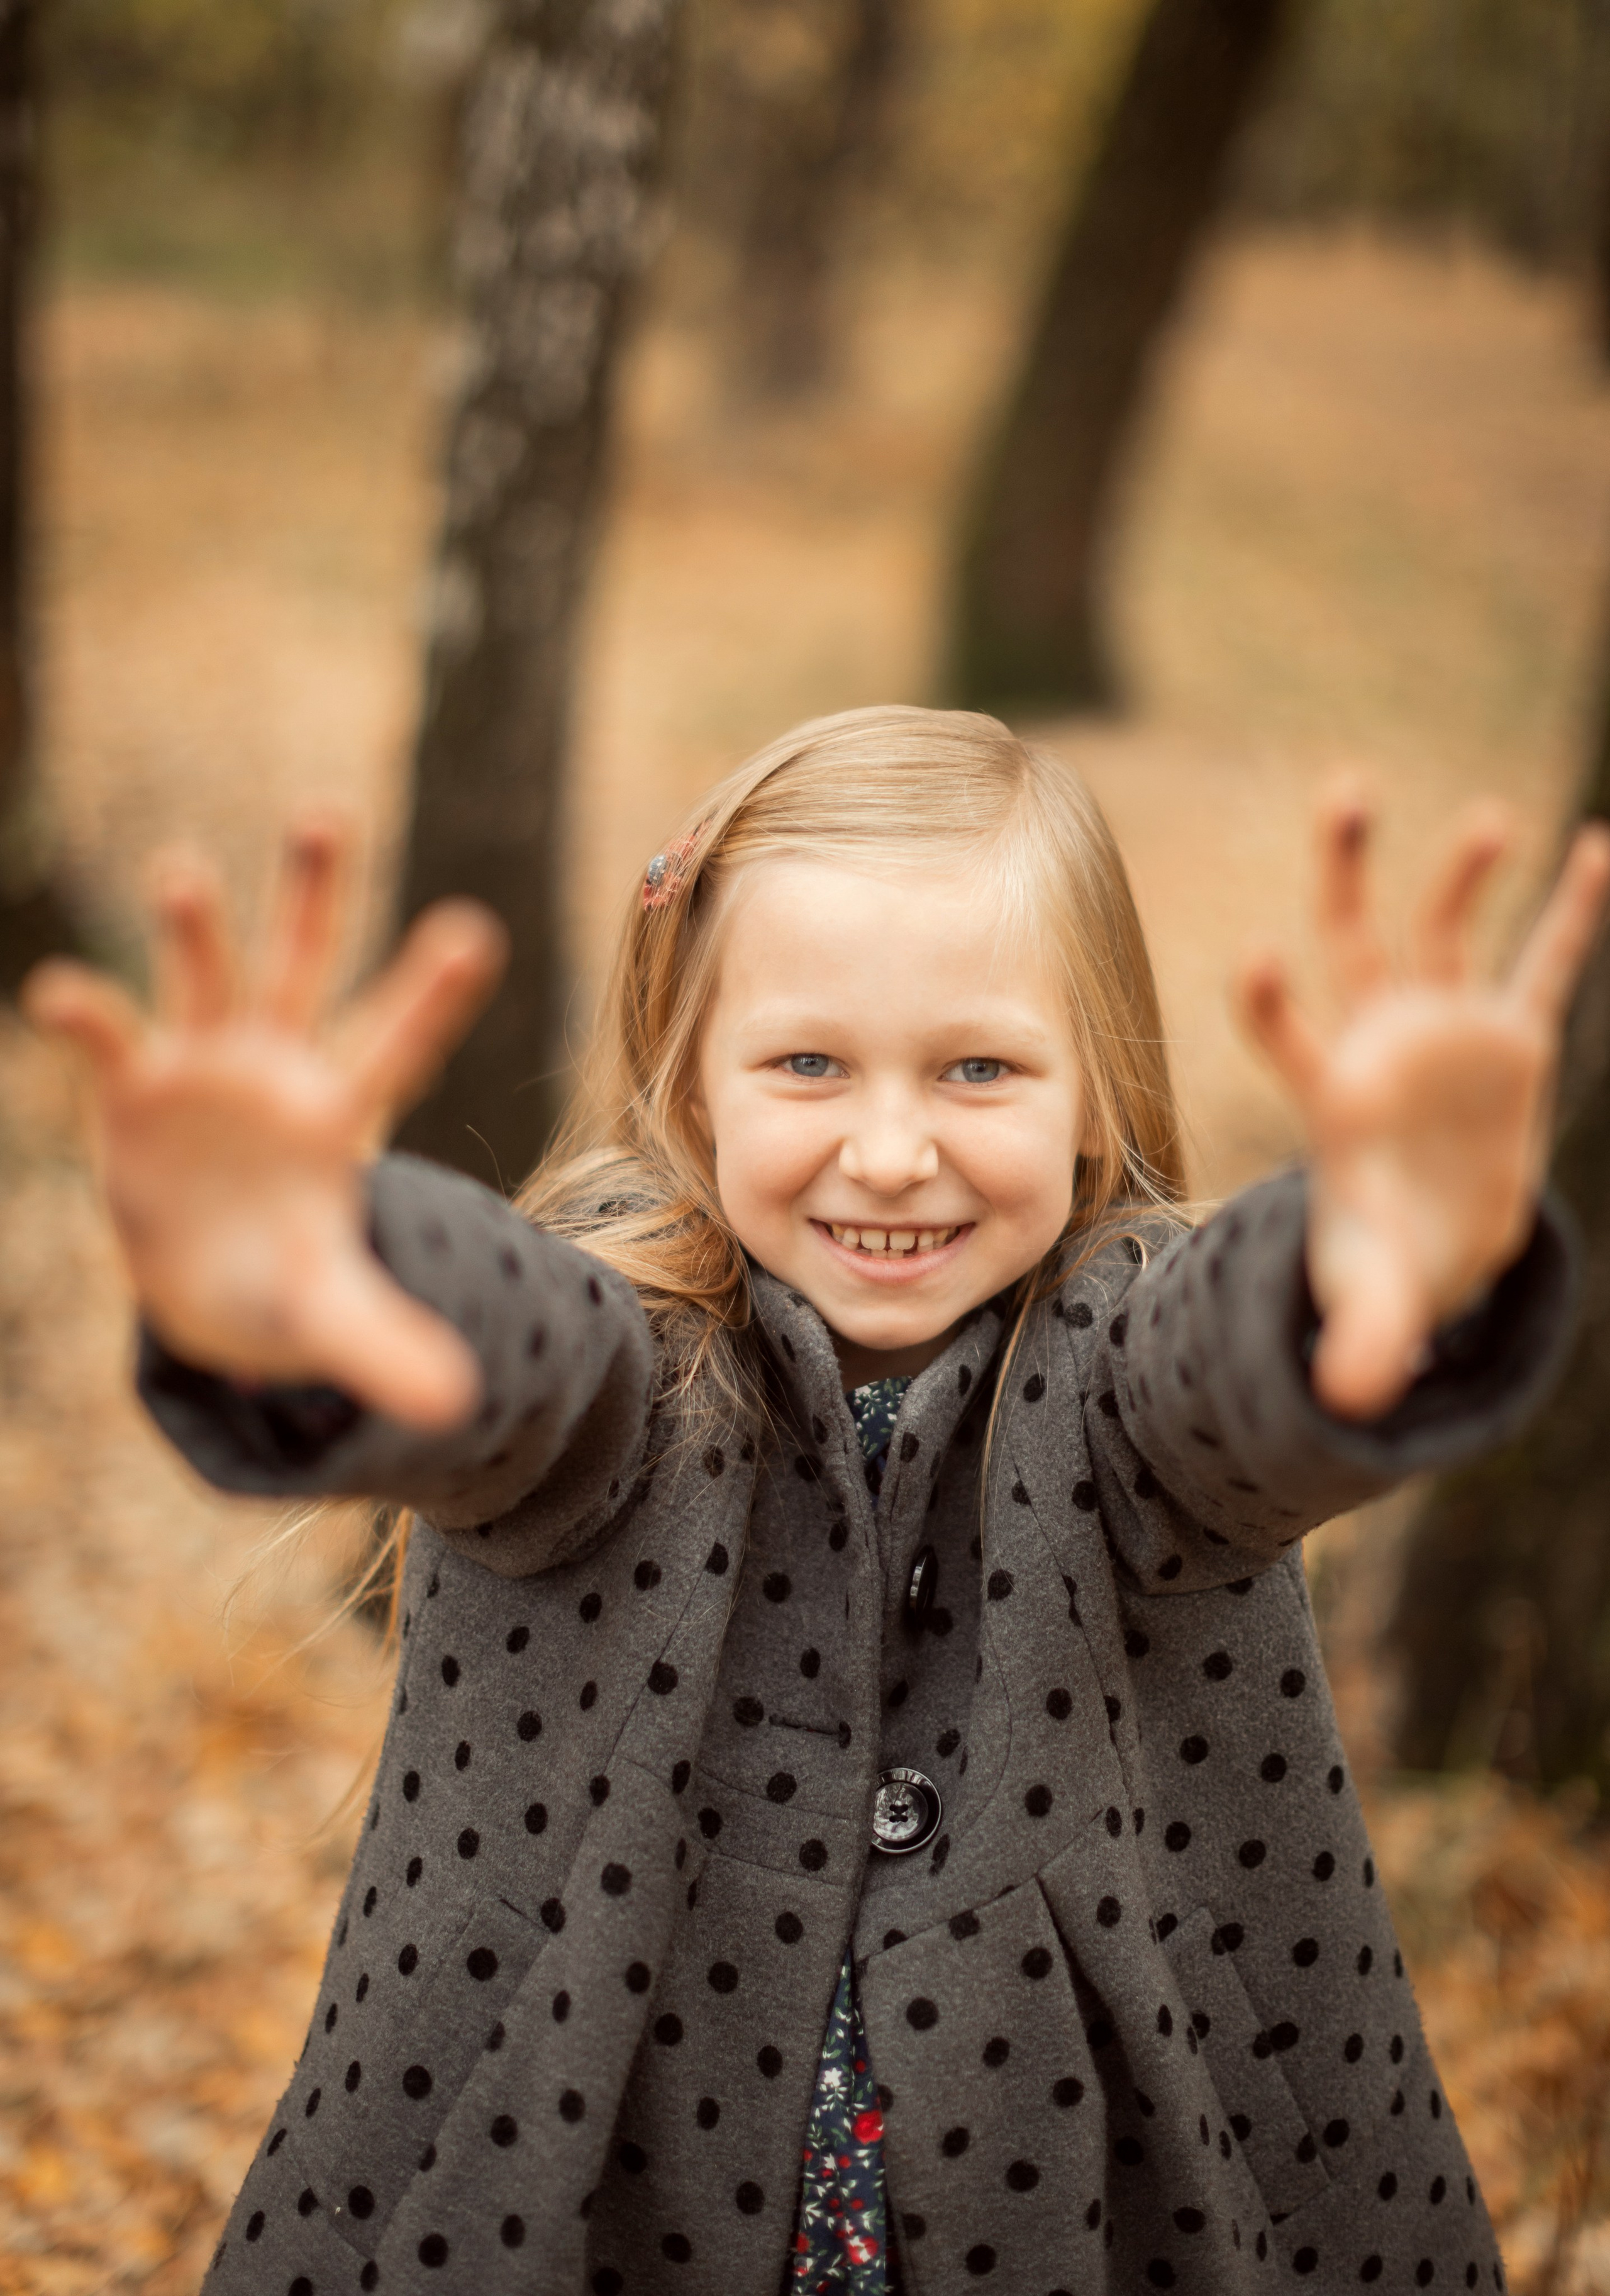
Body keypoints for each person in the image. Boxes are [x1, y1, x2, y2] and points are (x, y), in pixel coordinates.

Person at [26, 705, 1610, 2296]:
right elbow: (497, 1346)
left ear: (1095, 1092)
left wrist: (1371, 1257)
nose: (892, 1146)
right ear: (692, 1084)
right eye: (805, 1063)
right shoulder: (616, 1365)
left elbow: (1241, 1376)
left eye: (979, 1066)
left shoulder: (1133, 1375)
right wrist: (320, 1279)